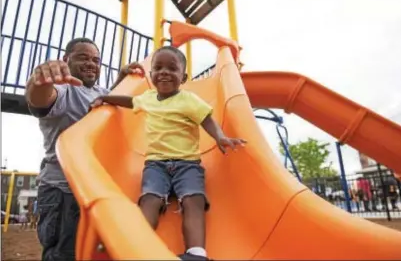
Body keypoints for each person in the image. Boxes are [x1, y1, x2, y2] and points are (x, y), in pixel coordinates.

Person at [90, 45, 247, 261]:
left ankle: (197, 253)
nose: (164, 72)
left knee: (194, 200)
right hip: (155, 164)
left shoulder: (189, 100)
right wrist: (108, 98)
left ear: (183, 77)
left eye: (171, 68)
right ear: (151, 74)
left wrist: (220, 137)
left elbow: (206, 119)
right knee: (149, 199)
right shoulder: (147, 98)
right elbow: (128, 101)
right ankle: (139, 247)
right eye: (158, 68)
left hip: (188, 164)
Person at [25, 37, 144, 261]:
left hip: (97, 190)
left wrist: (121, 78)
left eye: (96, 60)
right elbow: (40, 101)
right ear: (66, 59)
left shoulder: (100, 90)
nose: (91, 63)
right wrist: (38, 81)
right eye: (83, 57)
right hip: (64, 192)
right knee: (65, 255)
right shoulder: (63, 89)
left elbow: (105, 105)